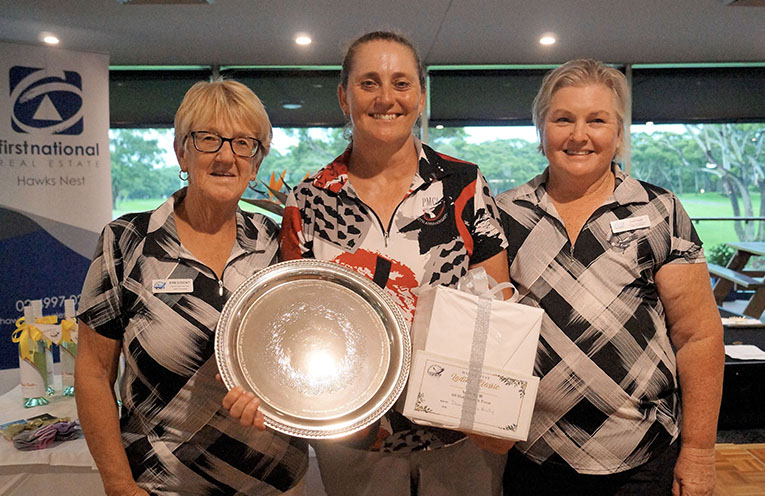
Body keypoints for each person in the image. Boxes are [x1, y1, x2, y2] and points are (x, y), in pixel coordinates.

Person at [225, 31, 513, 496]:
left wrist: (496, 417)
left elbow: (498, 314)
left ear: (420, 96)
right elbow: (292, 323)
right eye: (368, 83)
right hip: (354, 443)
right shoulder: (309, 200)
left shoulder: (463, 184)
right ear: (344, 97)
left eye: (401, 83)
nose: (385, 98)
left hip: (460, 439)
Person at [496, 59, 724, 496]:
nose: (579, 135)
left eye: (597, 120)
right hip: (531, 456)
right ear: (541, 132)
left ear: (619, 134)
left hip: (642, 458)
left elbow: (698, 336)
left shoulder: (660, 211)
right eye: (563, 119)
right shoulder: (505, 214)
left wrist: (699, 451)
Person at [74, 79, 308, 496]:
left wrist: (278, 391)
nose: (226, 156)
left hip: (272, 482)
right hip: (162, 484)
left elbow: (303, 350)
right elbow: (93, 372)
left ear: (256, 163)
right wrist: (118, 483)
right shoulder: (128, 241)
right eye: (208, 139)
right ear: (181, 151)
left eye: (244, 143)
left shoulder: (278, 244)